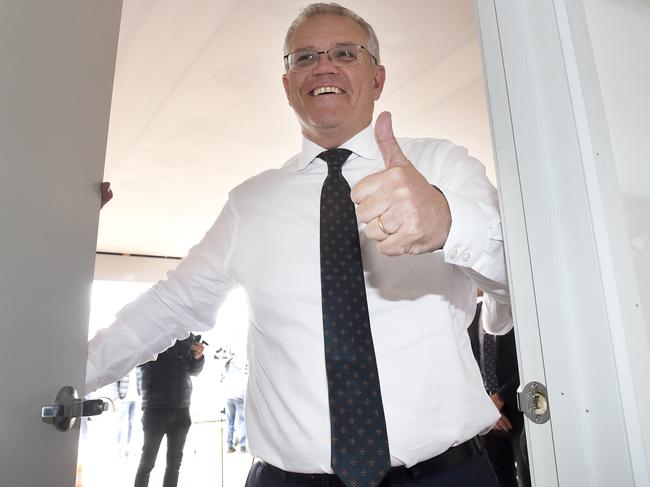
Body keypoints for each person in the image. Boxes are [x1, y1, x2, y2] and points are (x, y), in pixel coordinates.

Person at [86, 3, 509, 486]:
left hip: (446, 476)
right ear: (288, 85)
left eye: (345, 53)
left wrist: (447, 221)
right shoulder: (250, 203)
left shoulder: (441, 165)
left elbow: (521, 283)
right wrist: (54, 381)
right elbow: (167, 308)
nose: (323, 65)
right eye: (303, 58)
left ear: (377, 77)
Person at [468, 293, 531, 487]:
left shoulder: (522, 310)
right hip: (488, 420)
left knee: (529, 478)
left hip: (523, 413)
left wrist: (501, 398)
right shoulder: (470, 315)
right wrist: (486, 406)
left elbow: (531, 364)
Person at [132, 334, 205, 487]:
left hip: (182, 408)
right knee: (147, 461)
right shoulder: (152, 334)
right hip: (155, 408)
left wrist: (198, 357)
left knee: (174, 463)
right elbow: (140, 365)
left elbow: (193, 371)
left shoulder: (187, 336)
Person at [220, 355, 248, 453]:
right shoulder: (242, 370)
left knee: (230, 422)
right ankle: (242, 445)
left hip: (228, 397)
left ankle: (229, 445)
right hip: (239, 397)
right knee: (241, 421)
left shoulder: (228, 370)